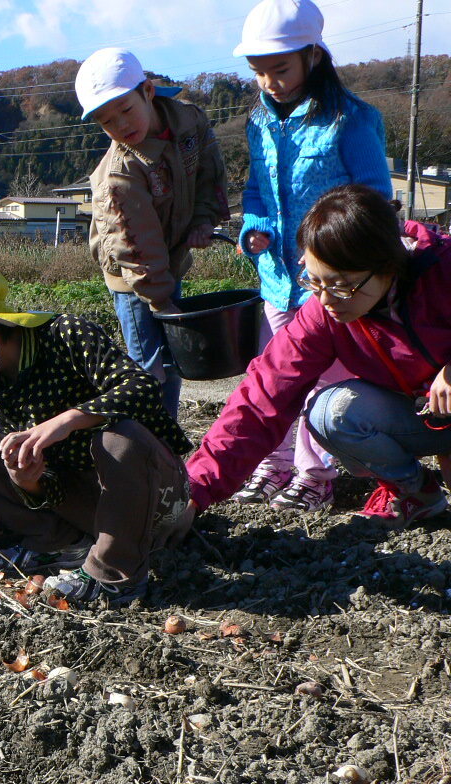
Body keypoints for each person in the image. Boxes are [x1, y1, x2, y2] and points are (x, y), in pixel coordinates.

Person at [0, 262, 193, 606]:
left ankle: (114, 575)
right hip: (93, 507)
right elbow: (47, 488)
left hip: (154, 497)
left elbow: (143, 388)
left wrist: (68, 420)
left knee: (118, 438)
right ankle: (67, 549)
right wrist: (28, 482)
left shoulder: (66, 336)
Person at [189, 184, 451, 530]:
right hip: (423, 415)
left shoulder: (443, 269)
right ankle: (417, 493)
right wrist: (194, 491)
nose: (327, 300)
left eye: (341, 285)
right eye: (314, 282)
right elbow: (262, 398)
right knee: (332, 412)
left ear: (388, 267)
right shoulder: (324, 313)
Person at [229, 0, 391, 513]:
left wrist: (348, 261)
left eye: (280, 68)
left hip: (330, 283)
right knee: (272, 375)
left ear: (313, 57)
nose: (270, 82)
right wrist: (253, 227)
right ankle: (271, 465)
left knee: (325, 379)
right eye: (259, 73)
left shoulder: (352, 120)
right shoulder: (259, 123)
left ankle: (315, 475)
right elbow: (256, 191)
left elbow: (373, 199)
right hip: (277, 277)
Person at [78, 47, 229, 418]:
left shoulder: (189, 123)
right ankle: (145, 445)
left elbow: (211, 175)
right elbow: (134, 244)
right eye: (106, 121)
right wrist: (161, 301)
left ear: (147, 91)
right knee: (149, 367)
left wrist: (203, 221)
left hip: (169, 259)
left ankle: (167, 435)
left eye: (126, 110)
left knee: (173, 360)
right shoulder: (119, 174)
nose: (121, 125)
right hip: (133, 276)